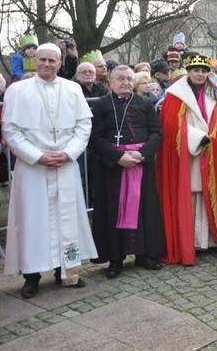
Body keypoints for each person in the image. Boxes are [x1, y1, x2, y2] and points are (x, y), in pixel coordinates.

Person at [2, 43, 96, 298]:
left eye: (51, 60)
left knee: (67, 220)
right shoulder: (18, 90)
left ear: (59, 63)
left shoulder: (72, 88)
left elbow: (83, 126)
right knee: (34, 221)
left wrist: (68, 153)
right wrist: (38, 156)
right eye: (41, 59)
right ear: (35, 61)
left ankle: (65, 272)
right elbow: (10, 130)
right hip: (33, 168)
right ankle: (31, 276)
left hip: (65, 165)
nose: (46, 64)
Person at [156, 53, 217, 265]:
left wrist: (215, 139)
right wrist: (196, 138)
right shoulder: (175, 95)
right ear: (188, 71)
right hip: (187, 154)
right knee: (190, 194)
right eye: (196, 70)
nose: (200, 74)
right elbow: (171, 126)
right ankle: (190, 242)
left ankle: (211, 240)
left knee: (207, 194)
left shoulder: (216, 93)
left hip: (211, 151)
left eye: (204, 71)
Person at [89, 66, 166, 278]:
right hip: (113, 168)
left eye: (129, 79)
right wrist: (117, 158)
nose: (125, 82)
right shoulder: (102, 104)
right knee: (113, 210)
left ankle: (143, 254)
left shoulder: (144, 103)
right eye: (120, 79)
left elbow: (157, 132)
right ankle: (116, 259)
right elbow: (94, 137)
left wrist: (142, 155)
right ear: (110, 82)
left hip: (141, 164)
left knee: (145, 210)